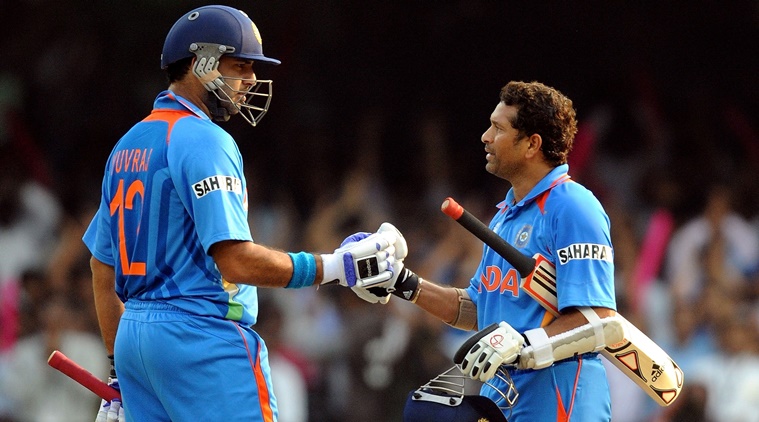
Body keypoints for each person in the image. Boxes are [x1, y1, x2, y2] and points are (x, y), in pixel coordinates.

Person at [82, 5, 398, 422]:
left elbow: (102, 270)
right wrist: (334, 267)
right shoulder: (205, 139)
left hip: (137, 343)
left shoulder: (126, 145)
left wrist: (117, 373)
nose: (251, 80)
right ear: (202, 63)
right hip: (203, 341)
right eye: (241, 66)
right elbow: (235, 259)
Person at [356, 81, 618, 421]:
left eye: (498, 128)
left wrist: (525, 343)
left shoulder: (573, 207)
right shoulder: (505, 215)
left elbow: (598, 321)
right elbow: (478, 308)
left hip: (559, 403)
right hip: (502, 400)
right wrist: (404, 283)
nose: (485, 137)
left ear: (531, 144)